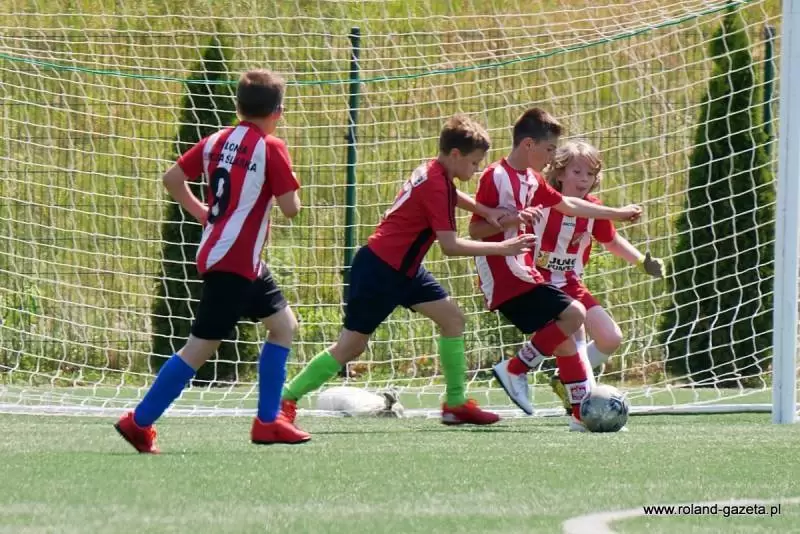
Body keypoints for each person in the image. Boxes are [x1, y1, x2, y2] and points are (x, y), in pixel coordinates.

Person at [278, 114, 536, 435]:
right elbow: (450, 246)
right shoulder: (436, 184)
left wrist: (485, 211)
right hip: (380, 271)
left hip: (405, 270)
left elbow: (451, 194)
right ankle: (285, 399)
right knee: (350, 347)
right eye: (473, 163)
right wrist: (503, 247)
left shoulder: (435, 171)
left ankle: (455, 404)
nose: (476, 169)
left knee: (453, 319)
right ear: (456, 155)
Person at [114, 69, 308, 453]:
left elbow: (172, 178)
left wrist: (203, 213)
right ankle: (139, 421)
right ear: (278, 111)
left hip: (237, 258)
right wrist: (283, 181)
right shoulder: (271, 147)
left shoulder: (217, 140)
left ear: (238, 106)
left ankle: (268, 420)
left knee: (283, 325)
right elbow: (291, 208)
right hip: (234, 261)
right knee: (199, 349)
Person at [468, 108, 641, 430]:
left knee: (566, 341)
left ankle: (580, 417)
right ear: (529, 145)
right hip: (505, 271)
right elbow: (475, 230)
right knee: (573, 316)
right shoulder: (496, 175)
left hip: (525, 271)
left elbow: (570, 205)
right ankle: (515, 369)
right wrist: (512, 219)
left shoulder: (533, 180)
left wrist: (618, 213)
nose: (551, 159)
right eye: (549, 150)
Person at [511, 140, 664, 413]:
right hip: (540, 285)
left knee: (610, 338)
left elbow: (611, 240)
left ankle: (563, 379)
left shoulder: (594, 209)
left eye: (590, 174)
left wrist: (641, 262)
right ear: (559, 173)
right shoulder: (541, 202)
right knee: (576, 339)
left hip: (571, 284)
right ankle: (583, 407)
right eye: (577, 172)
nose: (584, 179)